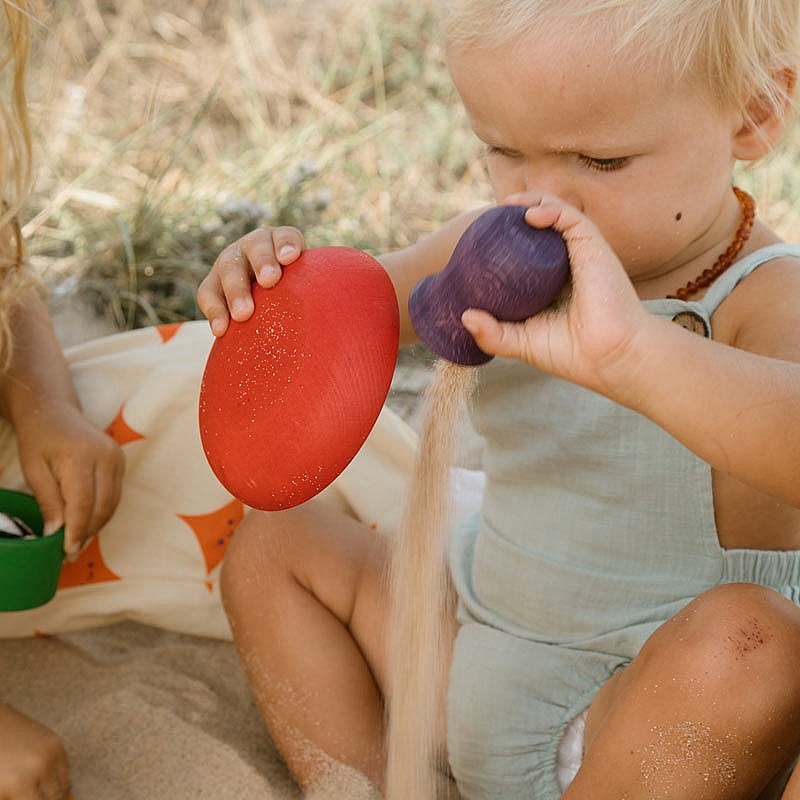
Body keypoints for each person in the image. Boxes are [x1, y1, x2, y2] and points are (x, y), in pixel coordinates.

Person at [198, 0, 800, 797]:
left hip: (642, 721)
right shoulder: (485, 251)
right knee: (277, 544)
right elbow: (360, 312)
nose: (539, 199)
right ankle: (357, 783)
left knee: (756, 644)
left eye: (601, 161)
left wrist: (637, 353)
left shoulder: (768, 298)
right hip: (469, 657)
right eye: (505, 151)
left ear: (754, 116)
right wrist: (274, 287)